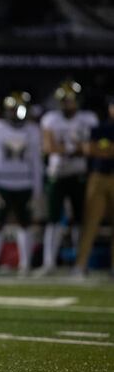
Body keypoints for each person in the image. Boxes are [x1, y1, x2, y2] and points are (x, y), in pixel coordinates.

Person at [37, 81, 98, 275]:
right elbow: (49, 148)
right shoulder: (51, 119)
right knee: (53, 219)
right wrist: (76, 149)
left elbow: (92, 148)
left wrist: (71, 149)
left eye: (71, 100)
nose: (67, 104)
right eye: (64, 100)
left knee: (80, 220)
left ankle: (80, 263)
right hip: (57, 174)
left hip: (79, 174)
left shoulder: (88, 119)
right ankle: (49, 262)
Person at [0, 92, 43, 277]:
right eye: (12, 109)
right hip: (2, 182)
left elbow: (36, 162)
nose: (16, 113)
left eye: (19, 109)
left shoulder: (32, 130)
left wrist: (37, 191)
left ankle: (25, 264)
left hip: (24, 182)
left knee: (25, 224)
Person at [74, 97, 114, 277]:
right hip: (98, 177)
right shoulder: (101, 128)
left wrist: (106, 150)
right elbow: (90, 149)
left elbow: (99, 150)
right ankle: (80, 265)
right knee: (91, 223)